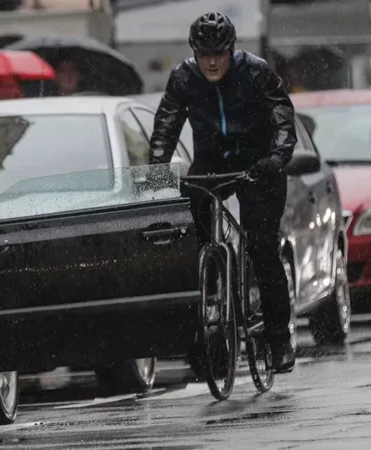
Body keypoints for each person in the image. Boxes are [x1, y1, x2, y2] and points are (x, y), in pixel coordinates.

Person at [148, 12, 298, 374]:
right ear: (194, 53)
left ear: (232, 50)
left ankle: (279, 338)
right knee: (192, 240)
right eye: (204, 53)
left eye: (220, 52)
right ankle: (209, 317)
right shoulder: (183, 79)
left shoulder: (256, 71)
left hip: (258, 165)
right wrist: (154, 183)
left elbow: (283, 120)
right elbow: (164, 131)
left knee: (262, 245)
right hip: (211, 165)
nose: (212, 61)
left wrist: (277, 159)